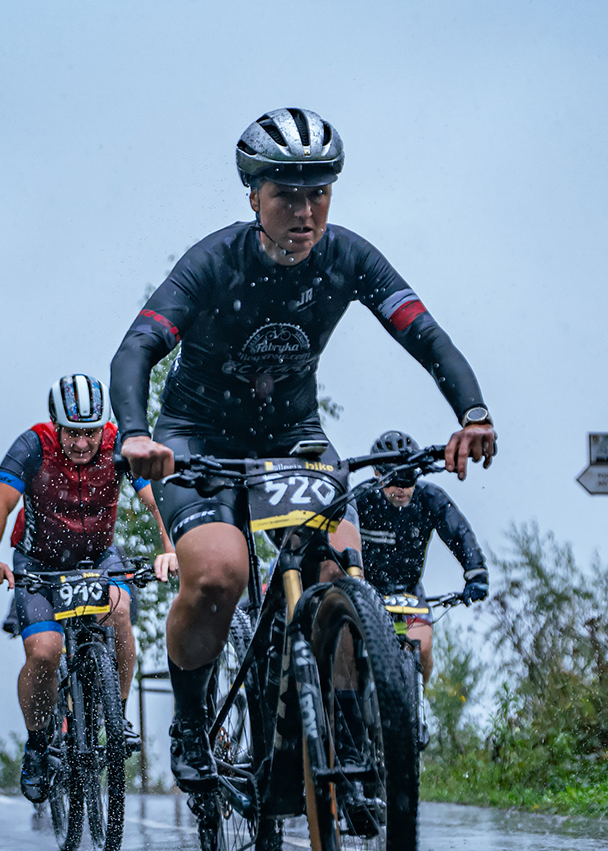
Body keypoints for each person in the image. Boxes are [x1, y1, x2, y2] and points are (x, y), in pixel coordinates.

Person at [112, 106, 498, 789]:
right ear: (253, 197)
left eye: (319, 192)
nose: (305, 210)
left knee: (343, 573)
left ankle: (344, 735)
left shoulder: (347, 256)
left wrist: (472, 412)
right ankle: (192, 723)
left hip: (293, 438)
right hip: (196, 439)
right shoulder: (213, 262)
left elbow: (423, 332)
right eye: (286, 194)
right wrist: (137, 434)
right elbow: (139, 346)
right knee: (220, 576)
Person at [0, 374, 177, 803]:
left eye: (91, 433)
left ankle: (117, 716)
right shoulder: (33, 445)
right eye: (72, 433)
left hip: (97, 557)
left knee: (119, 613)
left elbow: (156, 497)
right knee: (45, 652)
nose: (83, 443)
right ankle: (37, 744)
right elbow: (0, 502)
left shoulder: (119, 444)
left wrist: (170, 548)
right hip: (39, 562)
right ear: (56, 425)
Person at [356, 430, 488, 681]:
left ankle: (416, 701)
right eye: (393, 481)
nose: (401, 489)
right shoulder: (360, 500)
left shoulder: (430, 499)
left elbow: (458, 533)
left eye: (408, 480)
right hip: (365, 591)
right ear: (376, 474)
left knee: (423, 648)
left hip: (408, 591)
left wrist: (476, 572)